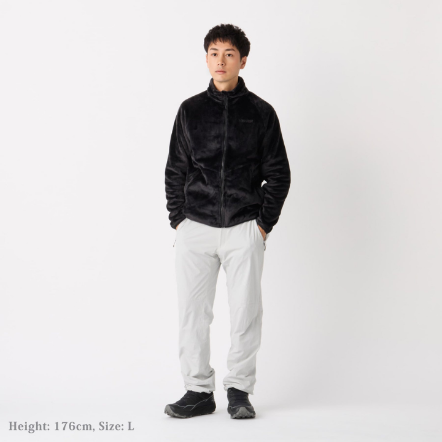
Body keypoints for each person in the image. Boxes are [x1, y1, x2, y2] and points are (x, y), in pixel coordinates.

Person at [164, 23, 291, 419]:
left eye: (229, 54)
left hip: (243, 227)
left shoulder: (261, 113)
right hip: (196, 228)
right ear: (206, 59)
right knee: (192, 314)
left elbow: (279, 174)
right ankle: (198, 391)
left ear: (243, 60)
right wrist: (179, 220)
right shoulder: (190, 110)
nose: (221, 61)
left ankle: (239, 390)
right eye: (214, 53)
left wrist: (262, 225)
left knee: (246, 313)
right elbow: (175, 170)